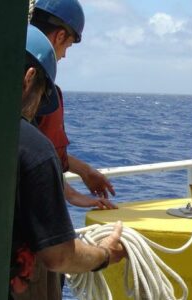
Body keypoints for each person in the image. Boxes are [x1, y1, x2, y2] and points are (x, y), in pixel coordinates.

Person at [9, 25, 127, 299]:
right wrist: (106, 254)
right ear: (29, 79)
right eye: (41, 97)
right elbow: (59, 256)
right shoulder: (34, 148)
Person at [31, 0, 116, 209]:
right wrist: (73, 195)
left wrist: (83, 170)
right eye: (67, 45)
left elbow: (32, 144)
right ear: (60, 36)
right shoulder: (37, 88)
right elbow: (31, 158)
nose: (65, 54)